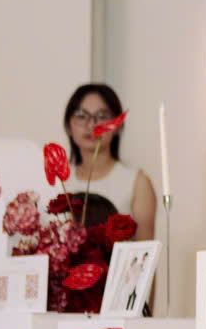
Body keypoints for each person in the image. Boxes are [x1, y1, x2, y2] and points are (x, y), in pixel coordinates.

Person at [60, 83, 157, 230]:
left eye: (101, 116)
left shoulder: (138, 183)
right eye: (81, 116)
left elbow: (145, 244)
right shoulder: (59, 182)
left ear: (117, 126)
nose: (92, 125)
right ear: (68, 126)